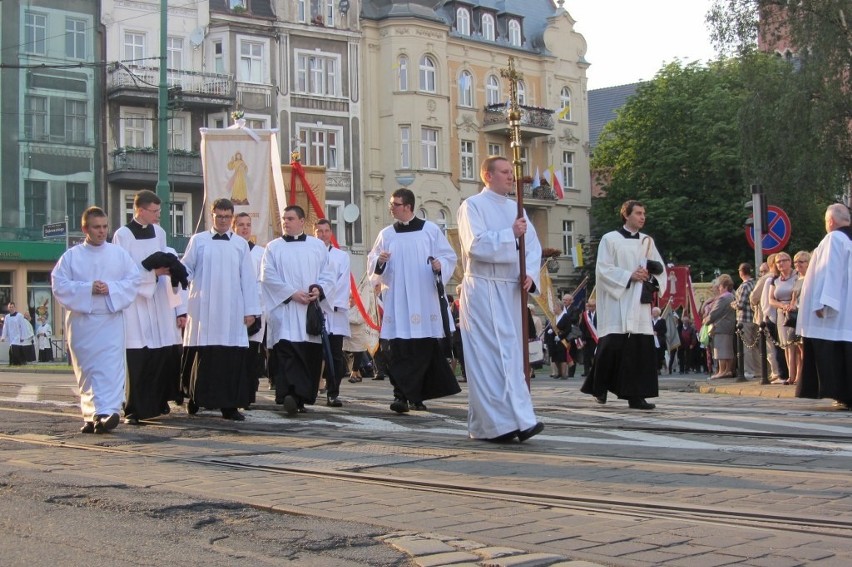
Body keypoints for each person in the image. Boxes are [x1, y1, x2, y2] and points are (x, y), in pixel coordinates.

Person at [457, 155, 544, 442]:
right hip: (482, 289)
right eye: (505, 172)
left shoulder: (516, 208)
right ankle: (494, 425)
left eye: (512, 172)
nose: (511, 177)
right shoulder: (472, 206)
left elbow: (532, 246)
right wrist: (510, 234)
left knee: (511, 356)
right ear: (487, 176)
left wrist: (530, 273)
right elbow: (475, 246)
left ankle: (519, 419)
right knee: (488, 357)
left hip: (509, 289)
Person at [368, 188, 460, 413]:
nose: (391, 208)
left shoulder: (430, 230)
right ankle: (400, 396)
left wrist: (440, 265)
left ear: (407, 206)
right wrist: (379, 262)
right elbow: (374, 264)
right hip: (398, 300)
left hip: (422, 299)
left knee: (422, 351)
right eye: (391, 204)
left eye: (395, 204)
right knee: (397, 351)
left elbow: (449, 257)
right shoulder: (387, 234)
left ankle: (417, 397)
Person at [51, 206, 141, 433]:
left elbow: (133, 281)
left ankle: (107, 411)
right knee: (87, 370)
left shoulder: (119, 254)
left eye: (104, 227)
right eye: (96, 227)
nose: (102, 231)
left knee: (110, 368)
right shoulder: (71, 257)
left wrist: (110, 288)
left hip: (110, 320)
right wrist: (87, 288)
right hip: (82, 322)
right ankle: (91, 416)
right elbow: (59, 285)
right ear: (85, 228)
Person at [580, 199, 665, 410]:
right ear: (626, 215)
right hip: (618, 300)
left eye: (644, 213)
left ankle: (636, 396)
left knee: (639, 348)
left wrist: (649, 276)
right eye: (638, 213)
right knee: (611, 346)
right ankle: (599, 387)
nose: (642, 217)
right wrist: (629, 275)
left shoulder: (647, 241)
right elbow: (603, 269)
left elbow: (660, 269)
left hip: (638, 303)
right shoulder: (610, 239)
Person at [181, 198, 260, 421]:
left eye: (227, 217)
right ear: (212, 215)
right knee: (203, 355)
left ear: (232, 218)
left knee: (229, 358)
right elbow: (186, 268)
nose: (223, 220)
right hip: (204, 308)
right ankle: (197, 398)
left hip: (231, 309)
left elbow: (248, 278)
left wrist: (251, 310)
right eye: (219, 216)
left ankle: (229, 405)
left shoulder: (240, 244)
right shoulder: (199, 240)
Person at [112, 190, 186, 424]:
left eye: (158, 211)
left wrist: (177, 304)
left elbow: (166, 257)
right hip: (136, 301)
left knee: (162, 353)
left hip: (159, 299)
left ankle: (158, 401)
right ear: (140, 210)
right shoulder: (123, 235)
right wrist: (151, 273)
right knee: (139, 355)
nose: (157, 215)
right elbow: (122, 270)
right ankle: (134, 407)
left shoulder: (160, 232)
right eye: (154, 211)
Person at [261, 205, 334, 416]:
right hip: (285, 311)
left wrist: (317, 290)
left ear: (302, 221)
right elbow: (267, 276)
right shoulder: (273, 247)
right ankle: (288, 395)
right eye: (284, 218)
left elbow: (328, 273)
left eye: (291, 218)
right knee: (287, 353)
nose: (286, 222)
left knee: (309, 354)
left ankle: (302, 397)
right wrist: (291, 293)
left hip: (308, 312)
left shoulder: (317, 246)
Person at [796, 204, 852, 408]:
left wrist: (823, 301)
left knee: (833, 351)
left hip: (837, 313)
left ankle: (842, 393)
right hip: (847, 309)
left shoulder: (834, 238)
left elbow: (829, 270)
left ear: (830, 221)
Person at [314, 218, 350, 407]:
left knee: (334, 354)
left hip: (334, 312)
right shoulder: (309, 253)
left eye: (326, 231)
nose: (322, 234)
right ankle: (310, 389)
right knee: (313, 352)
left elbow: (343, 282)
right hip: (313, 309)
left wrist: (330, 301)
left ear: (331, 233)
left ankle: (333, 391)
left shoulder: (341, 256)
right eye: (319, 231)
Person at [232, 212, 268, 401]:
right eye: (240, 225)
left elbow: (261, 283)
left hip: (254, 311)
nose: (245, 228)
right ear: (234, 227)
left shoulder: (260, 253)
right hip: (233, 311)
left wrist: (253, 309)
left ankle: (248, 394)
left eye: (248, 225)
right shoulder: (230, 250)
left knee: (251, 355)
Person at [769, 251, 799, 384]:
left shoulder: (797, 276)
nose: (781, 263)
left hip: (795, 311)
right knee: (786, 345)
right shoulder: (774, 279)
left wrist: (791, 305)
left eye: (783, 260)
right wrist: (781, 305)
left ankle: (798, 375)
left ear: (790, 261)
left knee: (796, 345)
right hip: (782, 313)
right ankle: (790, 374)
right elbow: (771, 299)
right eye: (778, 261)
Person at [707, 274, 737, 379]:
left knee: (720, 350)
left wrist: (706, 320)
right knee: (728, 349)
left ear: (724, 286)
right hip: (728, 325)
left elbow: (715, 312)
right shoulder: (731, 296)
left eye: (720, 286)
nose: (719, 288)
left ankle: (722, 370)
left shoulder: (723, 298)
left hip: (721, 326)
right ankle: (728, 370)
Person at [735, 263, 760, 379]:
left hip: (744, 318)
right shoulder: (755, 283)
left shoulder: (744, 286)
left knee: (747, 346)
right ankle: (758, 370)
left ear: (741, 272)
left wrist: (733, 304)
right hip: (754, 318)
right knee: (754, 346)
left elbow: (741, 304)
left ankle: (749, 370)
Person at [579, 299, 598, 377]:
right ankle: (586, 371)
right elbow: (582, 327)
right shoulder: (585, 315)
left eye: (593, 306)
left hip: (597, 338)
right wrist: (583, 339)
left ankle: (596, 371)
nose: (591, 308)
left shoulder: (600, 314)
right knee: (586, 355)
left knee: (595, 355)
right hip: (587, 338)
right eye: (589, 306)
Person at [651, 306, 667, 374]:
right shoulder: (650, 320)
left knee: (660, 355)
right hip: (652, 339)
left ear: (658, 313)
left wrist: (657, 333)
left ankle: (664, 365)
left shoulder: (662, 321)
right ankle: (656, 369)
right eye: (653, 312)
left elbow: (665, 330)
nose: (653, 313)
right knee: (654, 355)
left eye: (655, 312)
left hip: (660, 340)